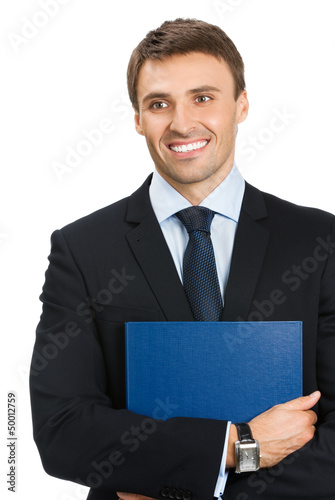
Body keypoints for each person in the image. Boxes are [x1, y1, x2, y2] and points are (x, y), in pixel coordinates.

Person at [30, 18, 335, 500]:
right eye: (158, 104)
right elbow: (63, 431)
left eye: (203, 97)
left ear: (242, 105)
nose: (181, 123)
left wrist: (168, 481)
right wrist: (240, 447)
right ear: (136, 118)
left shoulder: (319, 241)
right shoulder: (83, 249)